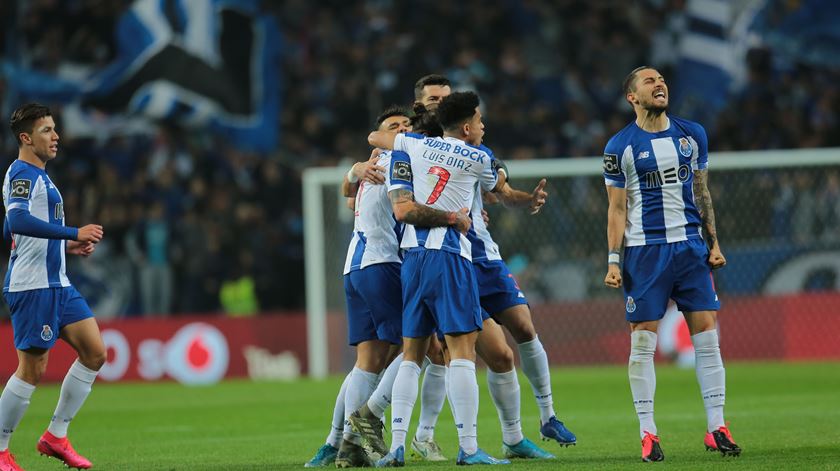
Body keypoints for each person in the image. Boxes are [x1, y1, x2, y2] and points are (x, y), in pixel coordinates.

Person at [414, 75, 578, 453]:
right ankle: (426, 435)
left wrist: (524, 198)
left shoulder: (474, 152)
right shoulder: (411, 141)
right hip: (445, 257)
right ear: (419, 104)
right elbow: (380, 146)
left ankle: (540, 421)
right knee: (460, 354)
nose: (440, 102)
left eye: (445, 97)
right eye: (433, 98)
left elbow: (499, 189)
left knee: (521, 329)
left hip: (481, 255)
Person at [602, 67, 741, 462]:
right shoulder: (619, 147)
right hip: (645, 253)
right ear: (632, 96)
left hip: (690, 249)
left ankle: (717, 427)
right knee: (642, 341)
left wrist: (713, 243)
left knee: (707, 338)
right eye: (648, 81)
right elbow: (616, 208)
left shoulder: (691, 134)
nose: (659, 84)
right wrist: (614, 260)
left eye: (661, 79)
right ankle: (649, 434)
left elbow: (701, 191)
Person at [369, 91, 508, 466]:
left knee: (412, 356)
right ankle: (469, 447)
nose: (482, 127)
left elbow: (376, 140)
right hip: (451, 255)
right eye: (478, 121)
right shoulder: (477, 156)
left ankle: (397, 445)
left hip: (412, 258)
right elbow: (499, 188)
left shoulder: (410, 147)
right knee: (461, 353)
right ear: (465, 126)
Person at [0, 103, 107, 471]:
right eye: (46, 130)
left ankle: (55, 437)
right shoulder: (23, 174)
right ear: (26, 138)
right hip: (33, 286)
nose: (56, 136)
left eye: (55, 129)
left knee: (94, 352)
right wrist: (72, 232)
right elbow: (15, 220)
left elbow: (7, 232)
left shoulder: (41, 178)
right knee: (31, 369)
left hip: (58, 283)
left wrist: (65, 245)